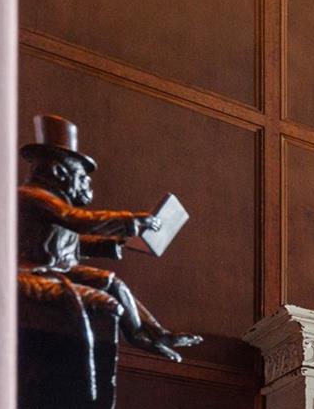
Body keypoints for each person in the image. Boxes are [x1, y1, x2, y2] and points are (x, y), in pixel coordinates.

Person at [17, 115, 200, 363]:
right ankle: (141, 336)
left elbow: (76, 242)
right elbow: (76, 220)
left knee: (113, 283)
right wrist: (130, 222)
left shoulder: (55, 204)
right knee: (108, 288)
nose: (87, 185)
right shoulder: (35, 197)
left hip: (59, 268)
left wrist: (118, 243)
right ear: (59, 172)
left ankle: (153, 334)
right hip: (36, 270)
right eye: (82, 177)